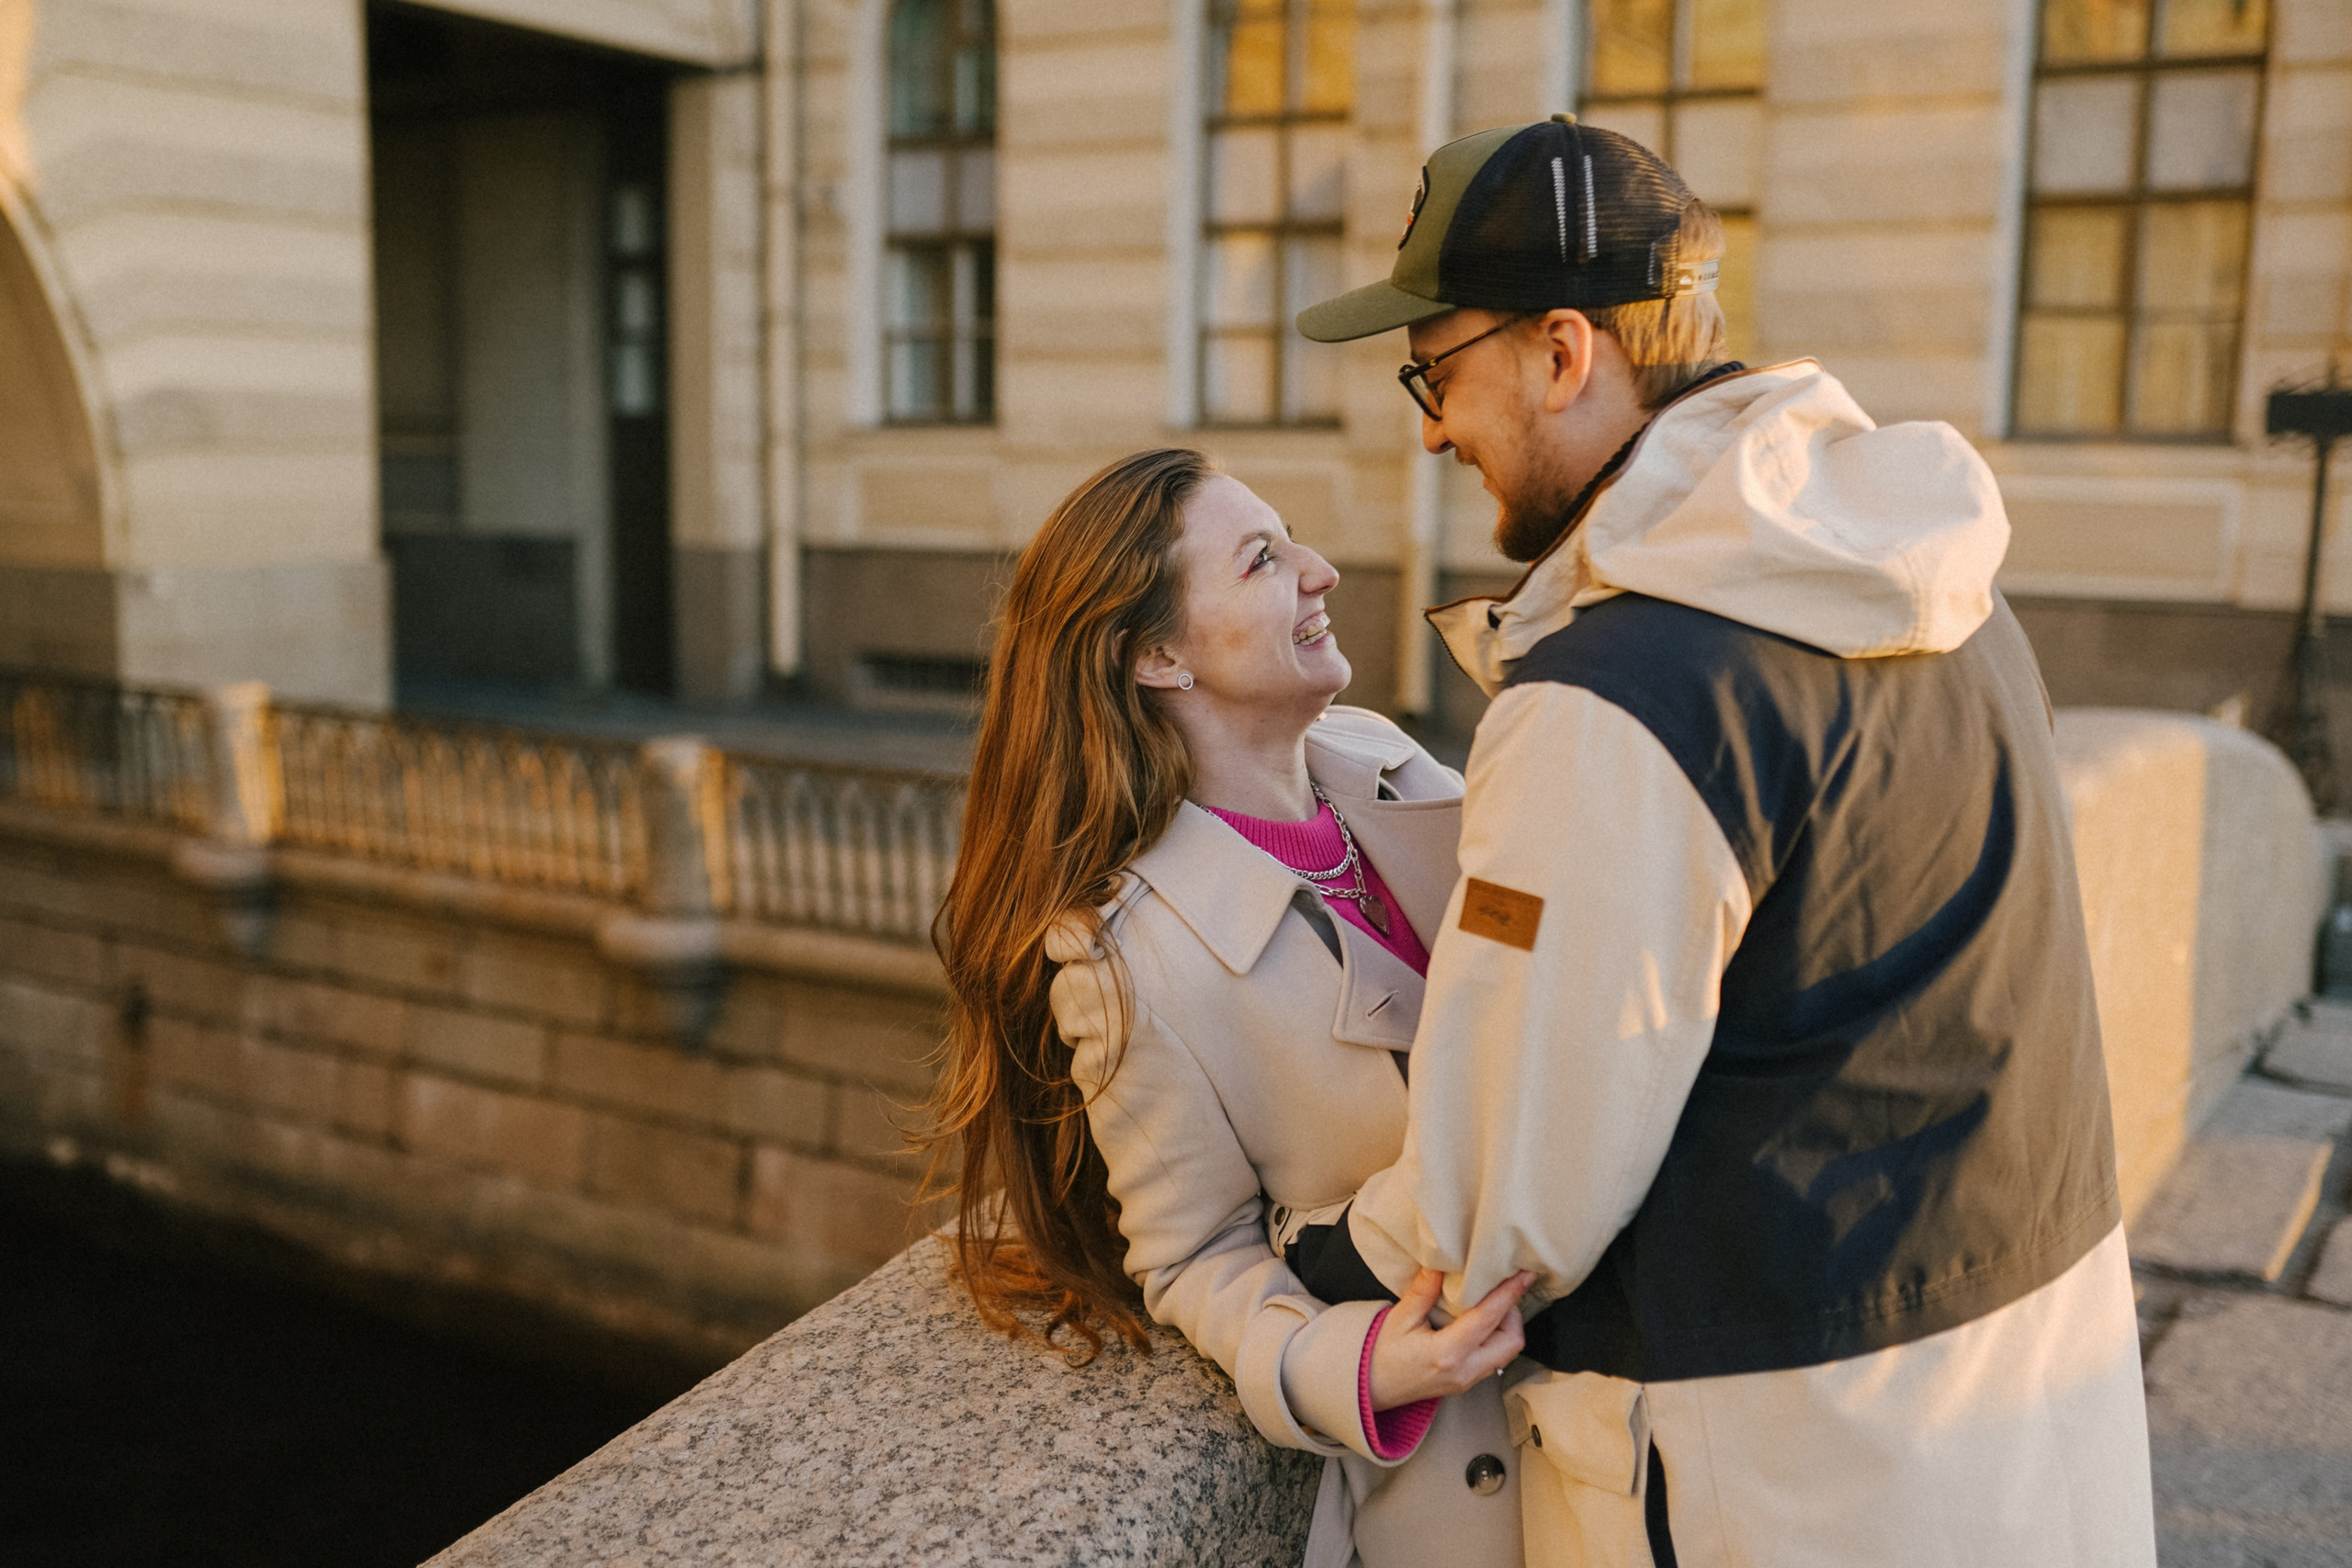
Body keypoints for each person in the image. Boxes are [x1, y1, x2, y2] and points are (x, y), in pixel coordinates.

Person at [1256, 118, 2154, 1565]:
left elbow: (1501, 1194)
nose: (1429, 427)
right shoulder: (1935, 581)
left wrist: (1297, 1267)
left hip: (1783, 1457)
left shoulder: (1622, 693)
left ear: (1564, 351)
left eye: (1437, 372)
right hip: (2022, 1389)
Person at [925, 447, 1536, 1568]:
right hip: (1475, 1467)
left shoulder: (1383, 759)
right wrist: (1357, 1369)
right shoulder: (1123, 958)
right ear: (1159, 655)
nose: (1319, 571)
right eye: (1263, 560)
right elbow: (1194, 1258)